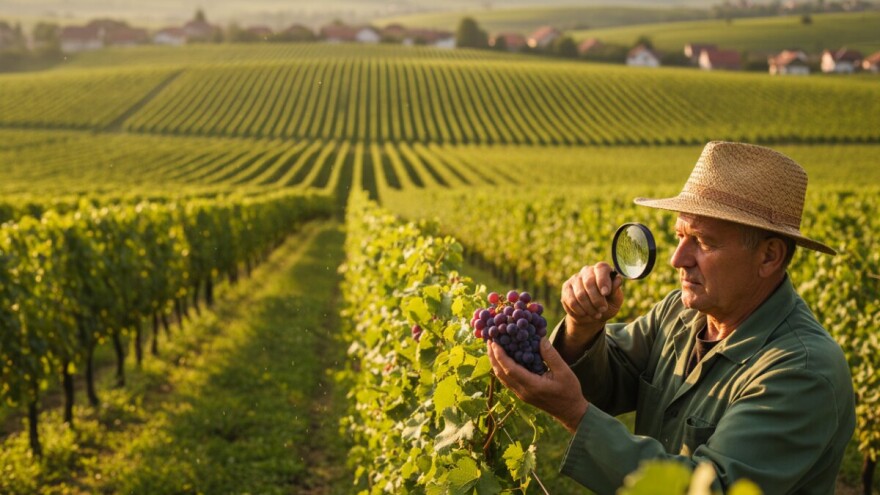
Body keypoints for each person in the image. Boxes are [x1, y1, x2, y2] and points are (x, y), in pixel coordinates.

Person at [487, 141, 855, 494]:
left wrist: (575, 414)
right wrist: (583, 328)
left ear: (769, 257)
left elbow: (711, 490)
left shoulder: (803, 371)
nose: (677, 259)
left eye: (703, 242)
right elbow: (608, 380)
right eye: (680, 235)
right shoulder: (678, 313)